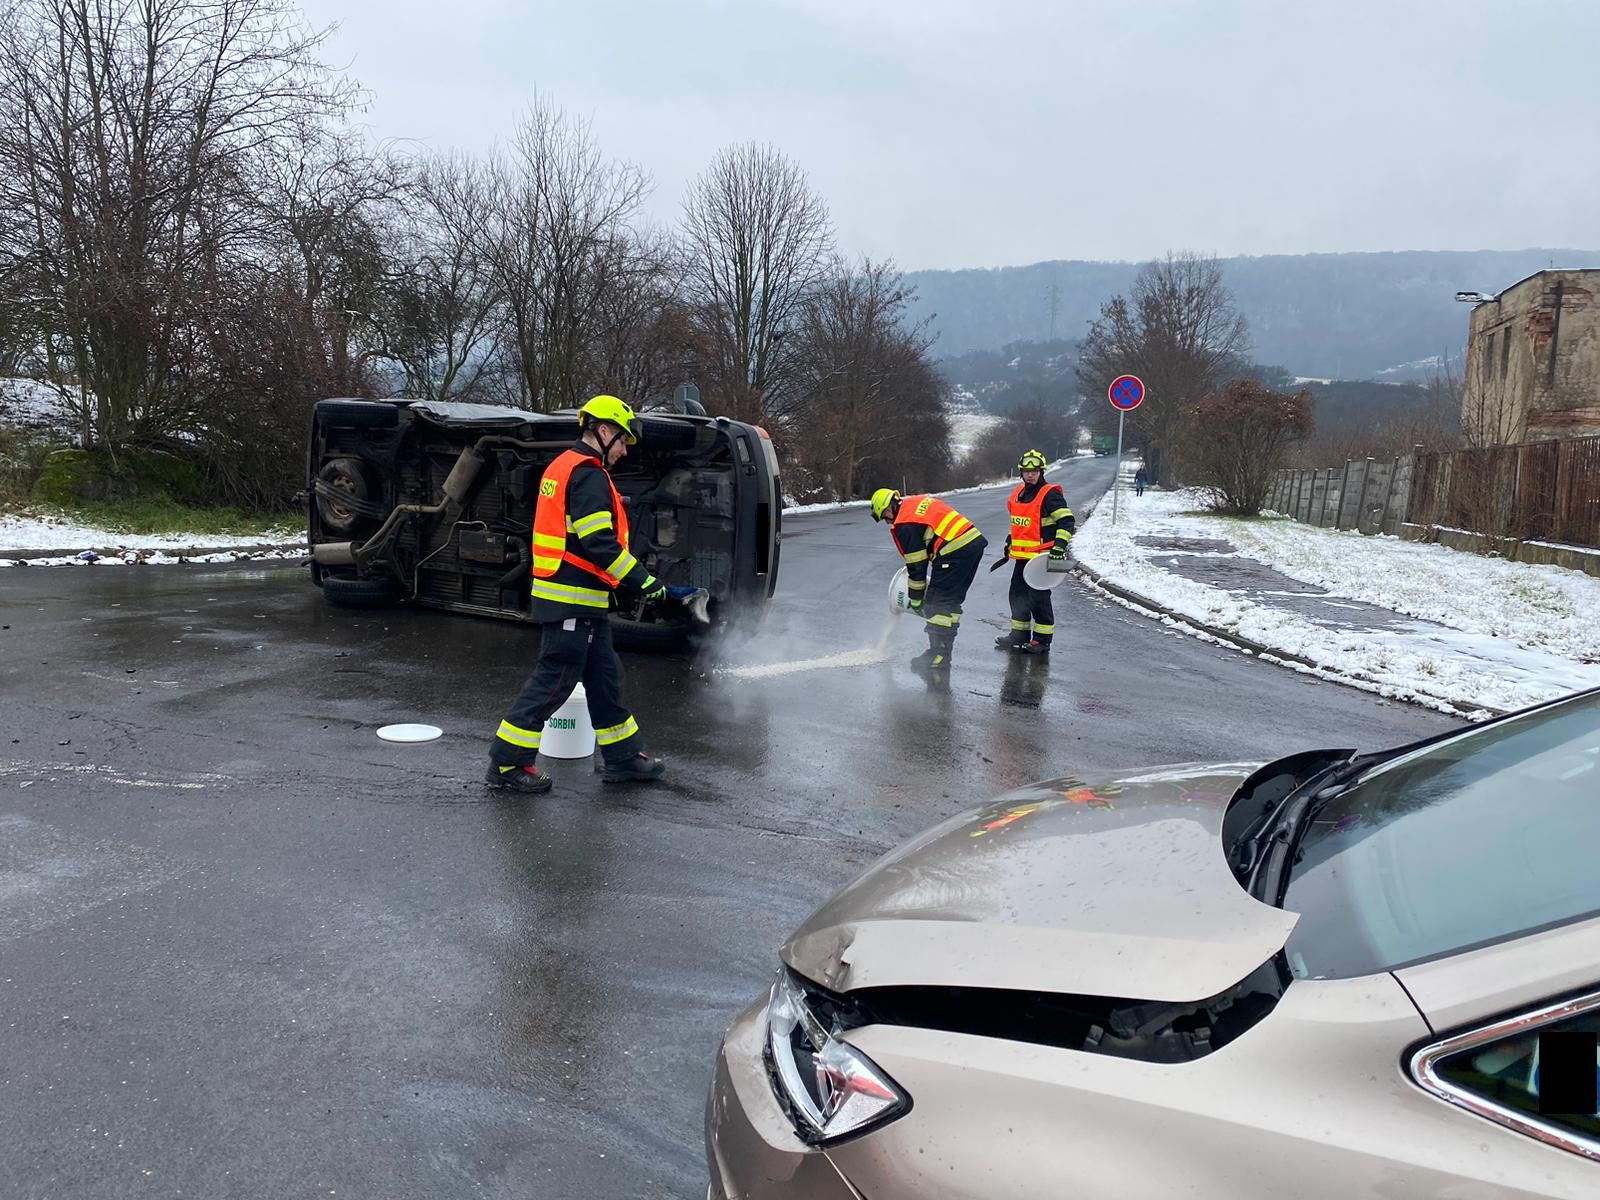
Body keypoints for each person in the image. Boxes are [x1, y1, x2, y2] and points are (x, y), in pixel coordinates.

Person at [486, 395, 668, 793]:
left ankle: (622, 757)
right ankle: (507, 763)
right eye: (622, 440)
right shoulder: (587, 473)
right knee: (555, 680)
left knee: (604, 679)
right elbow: (598, 543)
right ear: (603, 431)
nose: (623, 450)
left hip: (580, 601)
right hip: (572, 599)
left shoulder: (564, 466)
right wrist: (645, 582)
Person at [871, 488, 987, 677]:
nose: (887, 521)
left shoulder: (905, 524)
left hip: (953, 551)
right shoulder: (913, 504)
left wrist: (916, 597)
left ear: (890, 506)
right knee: (950, 602)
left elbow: (917, 564)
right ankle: (942, 651)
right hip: (971, 545)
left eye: (884, 515)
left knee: (936, 604)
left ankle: (938, 655)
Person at [992, 449, 1074, 655]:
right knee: (1017, 595)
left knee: (1038, 598)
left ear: (1041, 471)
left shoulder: (1049, 494)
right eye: (1026, 471)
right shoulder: (1019, 493)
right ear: (1021, 472)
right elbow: (1021, 525)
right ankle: (1019, 634)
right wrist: (1010, 541)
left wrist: (1059, 548)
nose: (1030, 474)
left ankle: (1042, 640)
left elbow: (1067, 522)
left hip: (1042, 559)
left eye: (1035, 471)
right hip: (1023, 559)